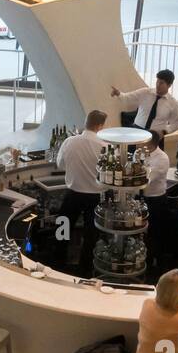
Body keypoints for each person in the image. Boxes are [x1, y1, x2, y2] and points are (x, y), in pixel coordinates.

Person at [55, 109, 106, 276]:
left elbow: (60, 165)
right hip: (94, 197)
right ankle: (84, 270)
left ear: (86, 122)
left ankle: (58, 263)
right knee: (90, 235)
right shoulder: (105, 146)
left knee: (62, 228)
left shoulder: (69, 142)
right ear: (100, 126)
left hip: (73, 194)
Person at [111, 70, 178, 142]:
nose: (158, 85)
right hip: (137, 131)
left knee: (154, 154)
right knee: (132, 153)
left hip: (155, 136)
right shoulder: (145, 92)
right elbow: (128, 98)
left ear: (169, 85)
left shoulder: (173, 103)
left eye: (161, 83)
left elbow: (176, 124)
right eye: (157, 81)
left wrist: (164, 131)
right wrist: (118, 93)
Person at [141, 130, 172, 274]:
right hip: (144, 199)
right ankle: (144, 261)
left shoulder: (162, 158)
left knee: (155, 235)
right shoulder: (143, 154)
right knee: (143, 233)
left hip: (156, 201)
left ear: (149, 142)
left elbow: (145, 179)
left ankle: (155, 268)